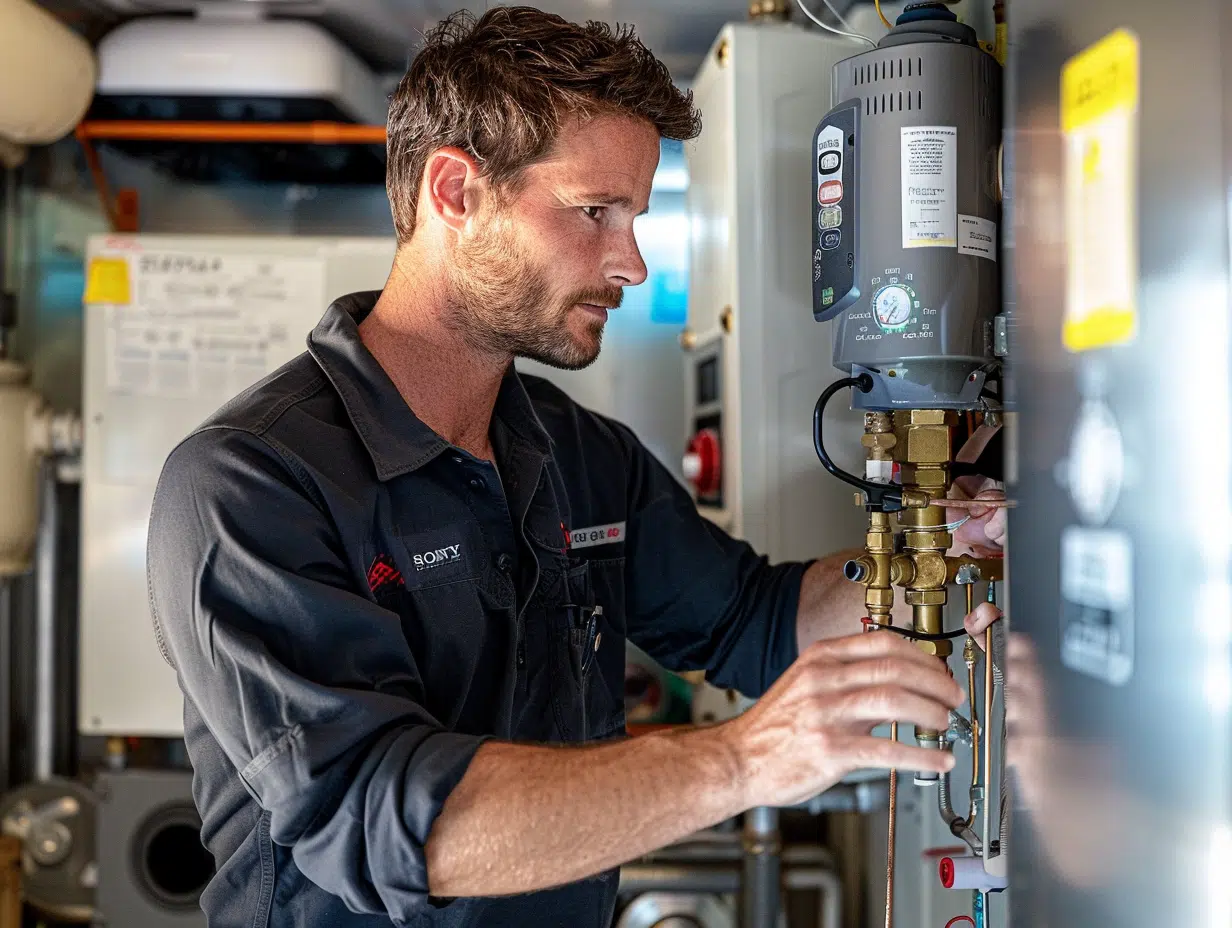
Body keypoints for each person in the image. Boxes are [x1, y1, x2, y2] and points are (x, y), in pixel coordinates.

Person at [146, 8, 998, 927]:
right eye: (596, 211)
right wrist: (746, 759)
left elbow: (756, 620)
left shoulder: (577, 454)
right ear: (455, 192)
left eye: (633, 216)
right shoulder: (248, 485)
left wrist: (933, 539)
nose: (629, 262)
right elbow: (395, 824)